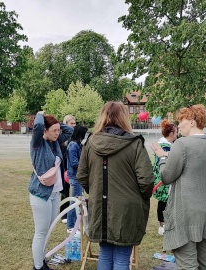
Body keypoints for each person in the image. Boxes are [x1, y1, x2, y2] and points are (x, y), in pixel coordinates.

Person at [77, 101, 155, 270]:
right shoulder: (131, 143)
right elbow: (147, 180)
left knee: (107, 253)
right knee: (118, 257)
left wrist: (96, 192)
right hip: (124, 207)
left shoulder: (92, 142)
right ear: (124, 117)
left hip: (104, 206)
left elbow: (82, 175)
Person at [152, 104, 206, 270]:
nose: (178, 126)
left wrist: (162, 158)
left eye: (182, 121)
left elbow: (166, 176)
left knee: (188, 265)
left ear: (192, 121)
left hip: (186, 214)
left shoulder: (182, 145)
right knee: (205, 263)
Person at [29, 111, 73, 270]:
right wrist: (40, 114)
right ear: (44, 131)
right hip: (41, 194)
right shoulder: (37, 143)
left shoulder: (55, 141)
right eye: (54, 130)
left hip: (55, 193)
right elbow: (39, 125)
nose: (58, 133)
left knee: (47, 231)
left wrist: (55, 124)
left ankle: (42, 260)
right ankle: (38, 266)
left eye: (57, 130)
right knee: (41, 232)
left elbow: (70, 130)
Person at [152, 119, 177, 236]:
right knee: (164, 202)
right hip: (164, 178)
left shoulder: (161, 144)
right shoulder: (166, 146)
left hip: (160, 177)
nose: (177, 135)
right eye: (176, 132)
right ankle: (163, 225)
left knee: (163, 202)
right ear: (171, 133)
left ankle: (164, 225)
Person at [66, 124, 88, 234]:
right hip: (75, 177)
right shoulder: (73, 145)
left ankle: (76, 224)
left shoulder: (78, 145)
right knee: (74, 202)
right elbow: (74, 162)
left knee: (79, 202)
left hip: (79, 176)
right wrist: (85, 165)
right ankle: (70, 225)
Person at [59, 115, 76, 223]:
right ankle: (63, 214)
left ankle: (73, 214)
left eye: (75, 123)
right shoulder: (63, 138)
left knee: (74, 192)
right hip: (64, 166)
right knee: (65, 191)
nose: (74, 126)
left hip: (72, 167)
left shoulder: (75, 137)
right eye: (71, 123)